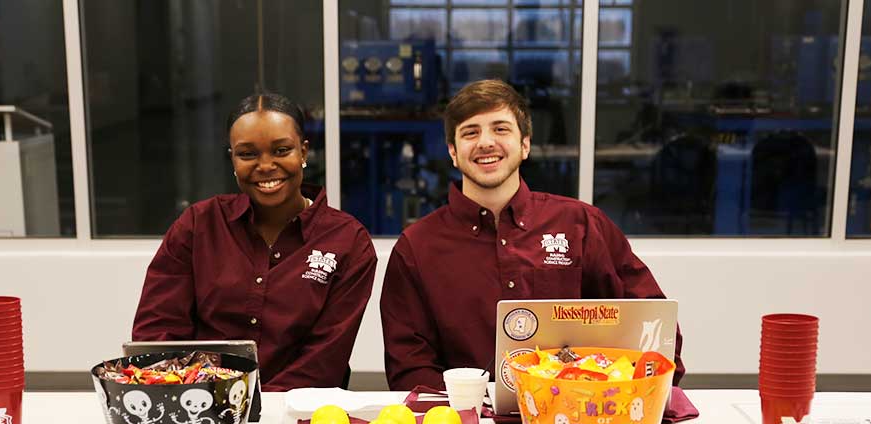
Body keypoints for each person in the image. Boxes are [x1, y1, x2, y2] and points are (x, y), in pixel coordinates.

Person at [380, 79, 686, 396]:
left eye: (501, 129)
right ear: (453, 153)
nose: (485, 142)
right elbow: (409, 366)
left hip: (579, 416)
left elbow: (653, 323)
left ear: (525, 144)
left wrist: (635, 397)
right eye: (471, 132)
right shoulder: (418, 247)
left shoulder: (580, 225)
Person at [133, 93, 377, 390]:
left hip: (299, 411)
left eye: (281, 150)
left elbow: (325, 358)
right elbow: (157, 332)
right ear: (233, 159)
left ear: (303, 152)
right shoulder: (198, 225)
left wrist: (259, 406)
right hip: (200, 406)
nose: (265, 165)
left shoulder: (348, 242)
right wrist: (192, 395)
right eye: (247, 154)